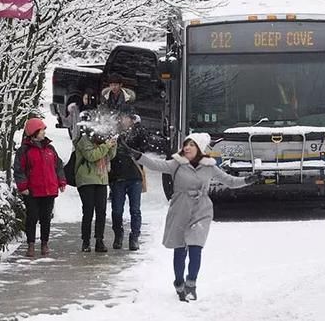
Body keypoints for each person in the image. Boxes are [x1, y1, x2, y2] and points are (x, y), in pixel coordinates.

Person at [121, 133, 260, 302]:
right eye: (186, 145)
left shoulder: (209, 166)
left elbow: (229, 181)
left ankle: (191, 284)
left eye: (191, 145)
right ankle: (179, 282)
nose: (187, 148)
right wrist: (136, 155)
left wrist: (248, 180)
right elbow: (156, 165)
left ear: (199, 148)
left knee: (195, 247)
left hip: (201, 210)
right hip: (180, 208)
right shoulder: (176, 164)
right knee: (180, 249)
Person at [14, 118, 67, 258]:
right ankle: (31, 244)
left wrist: (61, 181)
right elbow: (19, 170)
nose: (44, 132)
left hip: (49, 190)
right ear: (34, 132)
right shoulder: (24, 150)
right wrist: (23, 186)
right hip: (32, 191)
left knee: (46, 218)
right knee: (32, 218)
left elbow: (58, 166)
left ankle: (44, 243)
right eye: (41, 130)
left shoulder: (50, 149)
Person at [74, 120, 117, 252]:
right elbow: (92, 156)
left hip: (101, 179)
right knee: (88, 210)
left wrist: (113, 145)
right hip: (86, 179)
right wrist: (106, 146)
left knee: (101, 211)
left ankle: (99, 240)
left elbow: (110, 156)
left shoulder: (102, 142)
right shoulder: (84, 140)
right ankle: (86, 241)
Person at [109, 107, 149, 250]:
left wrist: (129, 148)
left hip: (134, 176)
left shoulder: (139, 132)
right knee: (117, 210)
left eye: (127, 117)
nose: (124, 120)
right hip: (117, 176)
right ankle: (118, 235)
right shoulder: (113, 133)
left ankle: (134, 237)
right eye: (122, 117)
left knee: (135, 210)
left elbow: (144, 149)